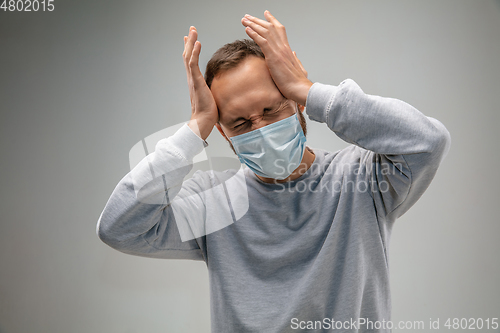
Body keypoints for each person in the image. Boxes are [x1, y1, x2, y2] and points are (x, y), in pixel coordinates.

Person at [96, 10, 451, 333]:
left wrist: (309, 91)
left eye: (271, 109)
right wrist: (194, 129)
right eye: (241, 122)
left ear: (295, 102)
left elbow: (427, 140)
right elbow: (119, 228)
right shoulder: (214, 202)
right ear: (222, 132)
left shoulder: (360, 180)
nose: (260, 127)